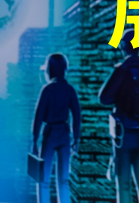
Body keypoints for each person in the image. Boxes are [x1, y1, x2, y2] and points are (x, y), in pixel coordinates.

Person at [98, 30, 139, 203]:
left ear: (123, 46)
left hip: (124, 135)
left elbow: (104, 98)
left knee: (123, 184)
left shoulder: (122, 70)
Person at [32, 53, 81, 203]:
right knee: (63, 180)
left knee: (43, 179)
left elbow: (38, 116)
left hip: (50, 134)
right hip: (64, 135)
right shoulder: (69, 90)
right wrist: (76, 138)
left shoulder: (47, 90)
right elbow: (77, 115)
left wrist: (34, 141)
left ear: (49, 70)